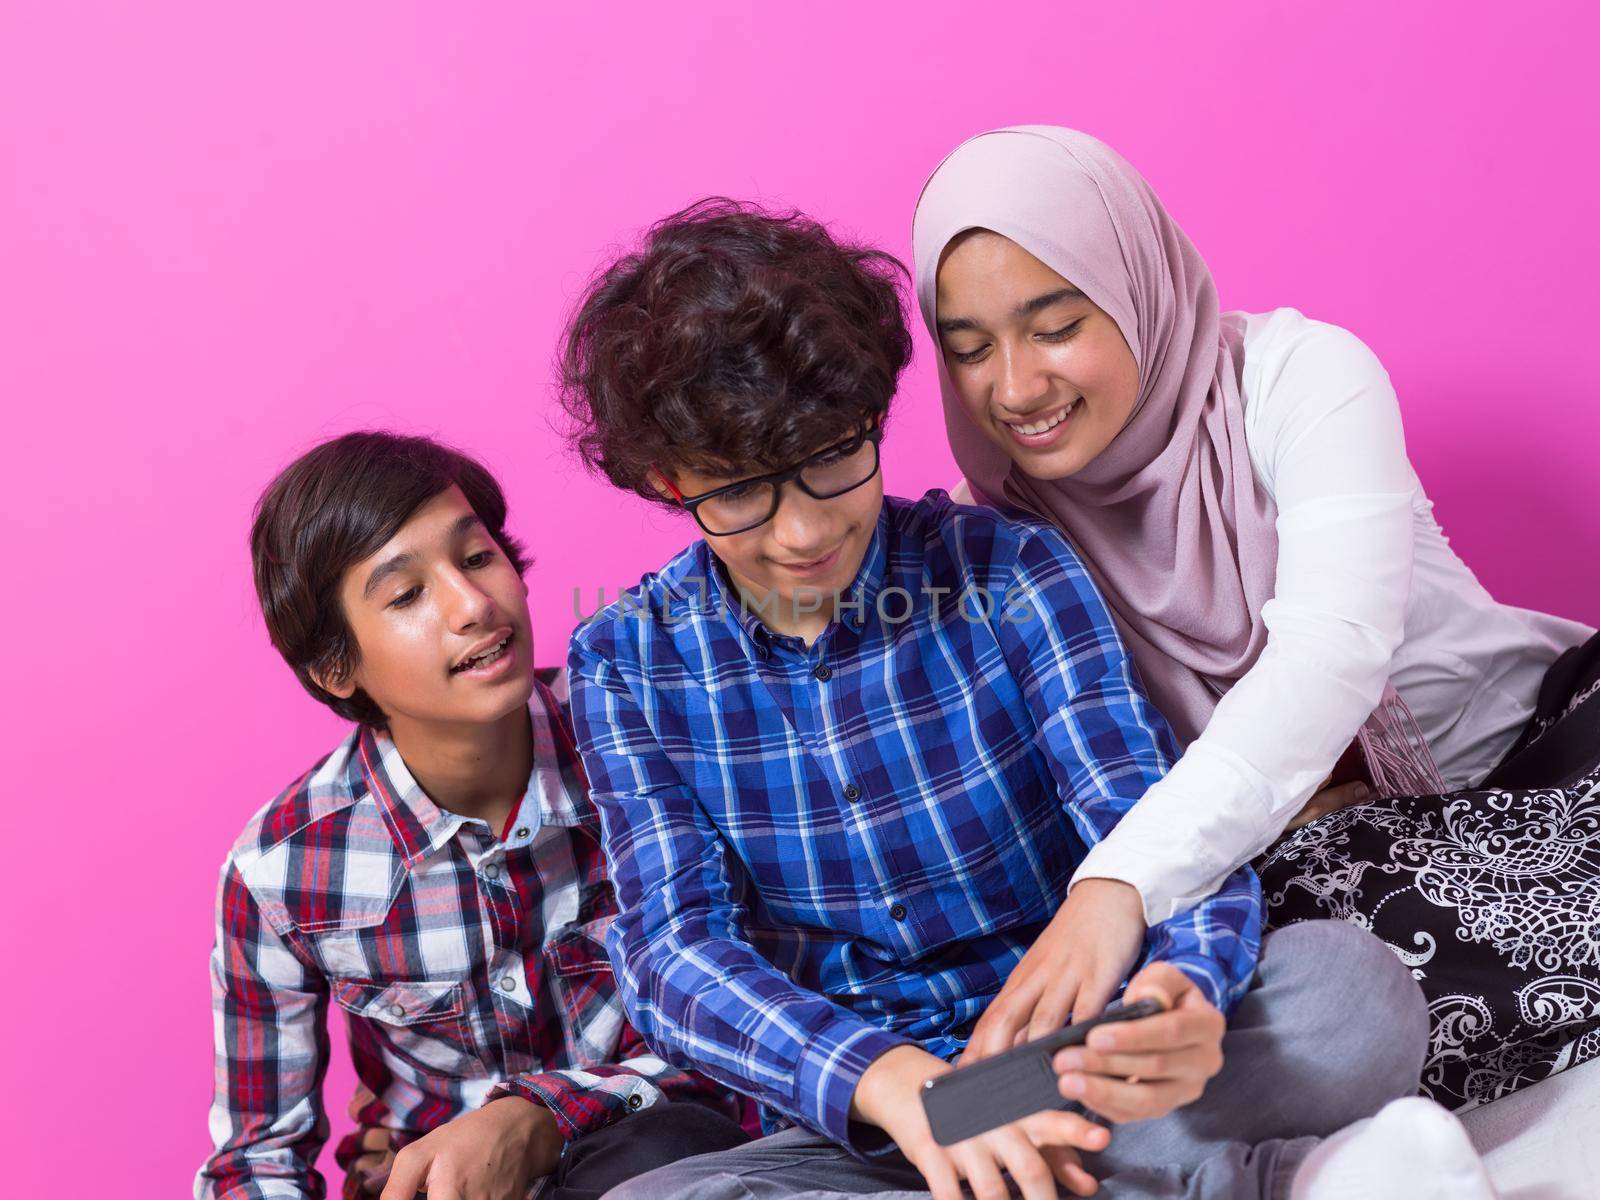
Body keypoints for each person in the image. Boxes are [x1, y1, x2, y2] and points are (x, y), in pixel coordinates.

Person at [555, 199, 1494, 1199]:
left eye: (833, 460)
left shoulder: (1009, 570)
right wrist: (894, 1084)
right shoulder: (625, 662)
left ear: (871, 418)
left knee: (1348, 997)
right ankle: (1279, 1183)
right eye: (740, 493)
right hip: (879, 1115)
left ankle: (1048, 1168)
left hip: (1083, 1058)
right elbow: (674, 953)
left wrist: (1183, 987)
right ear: (664, 479)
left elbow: (1150, 818)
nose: (800, 532)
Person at [912, 125, 1599, 1108]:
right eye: (968, 348)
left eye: (1055, 326)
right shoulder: (1007, 541)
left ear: (1131, 284)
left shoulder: (1300, 379)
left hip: (1545, 759)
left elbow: (1328, 656)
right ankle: (978, 1111)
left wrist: (1120, 885)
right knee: (1313, 971)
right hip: (1349, 864)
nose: (1014, 388)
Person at [196, 432, 746, 1200]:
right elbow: (256, 1163)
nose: (472, 605)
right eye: (406, 594)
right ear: (335, 667)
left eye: (478, 557)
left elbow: (745, 1018)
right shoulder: (283, 872)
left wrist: (542, 1115)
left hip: (658, 1155)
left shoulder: (641, 740)